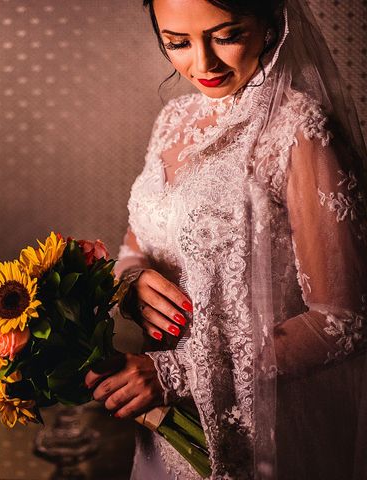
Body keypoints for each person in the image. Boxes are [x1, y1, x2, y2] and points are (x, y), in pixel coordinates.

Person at [84, 0, 367, 478]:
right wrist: (130, 282)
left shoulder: (298, 130)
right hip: (167, 426)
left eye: (226, 36)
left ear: (271, 26)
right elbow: (140, 244)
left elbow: (342, 320)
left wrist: (178, 374)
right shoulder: (173, 121)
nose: (202, 64)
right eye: (177, 43)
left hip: (264, 426)